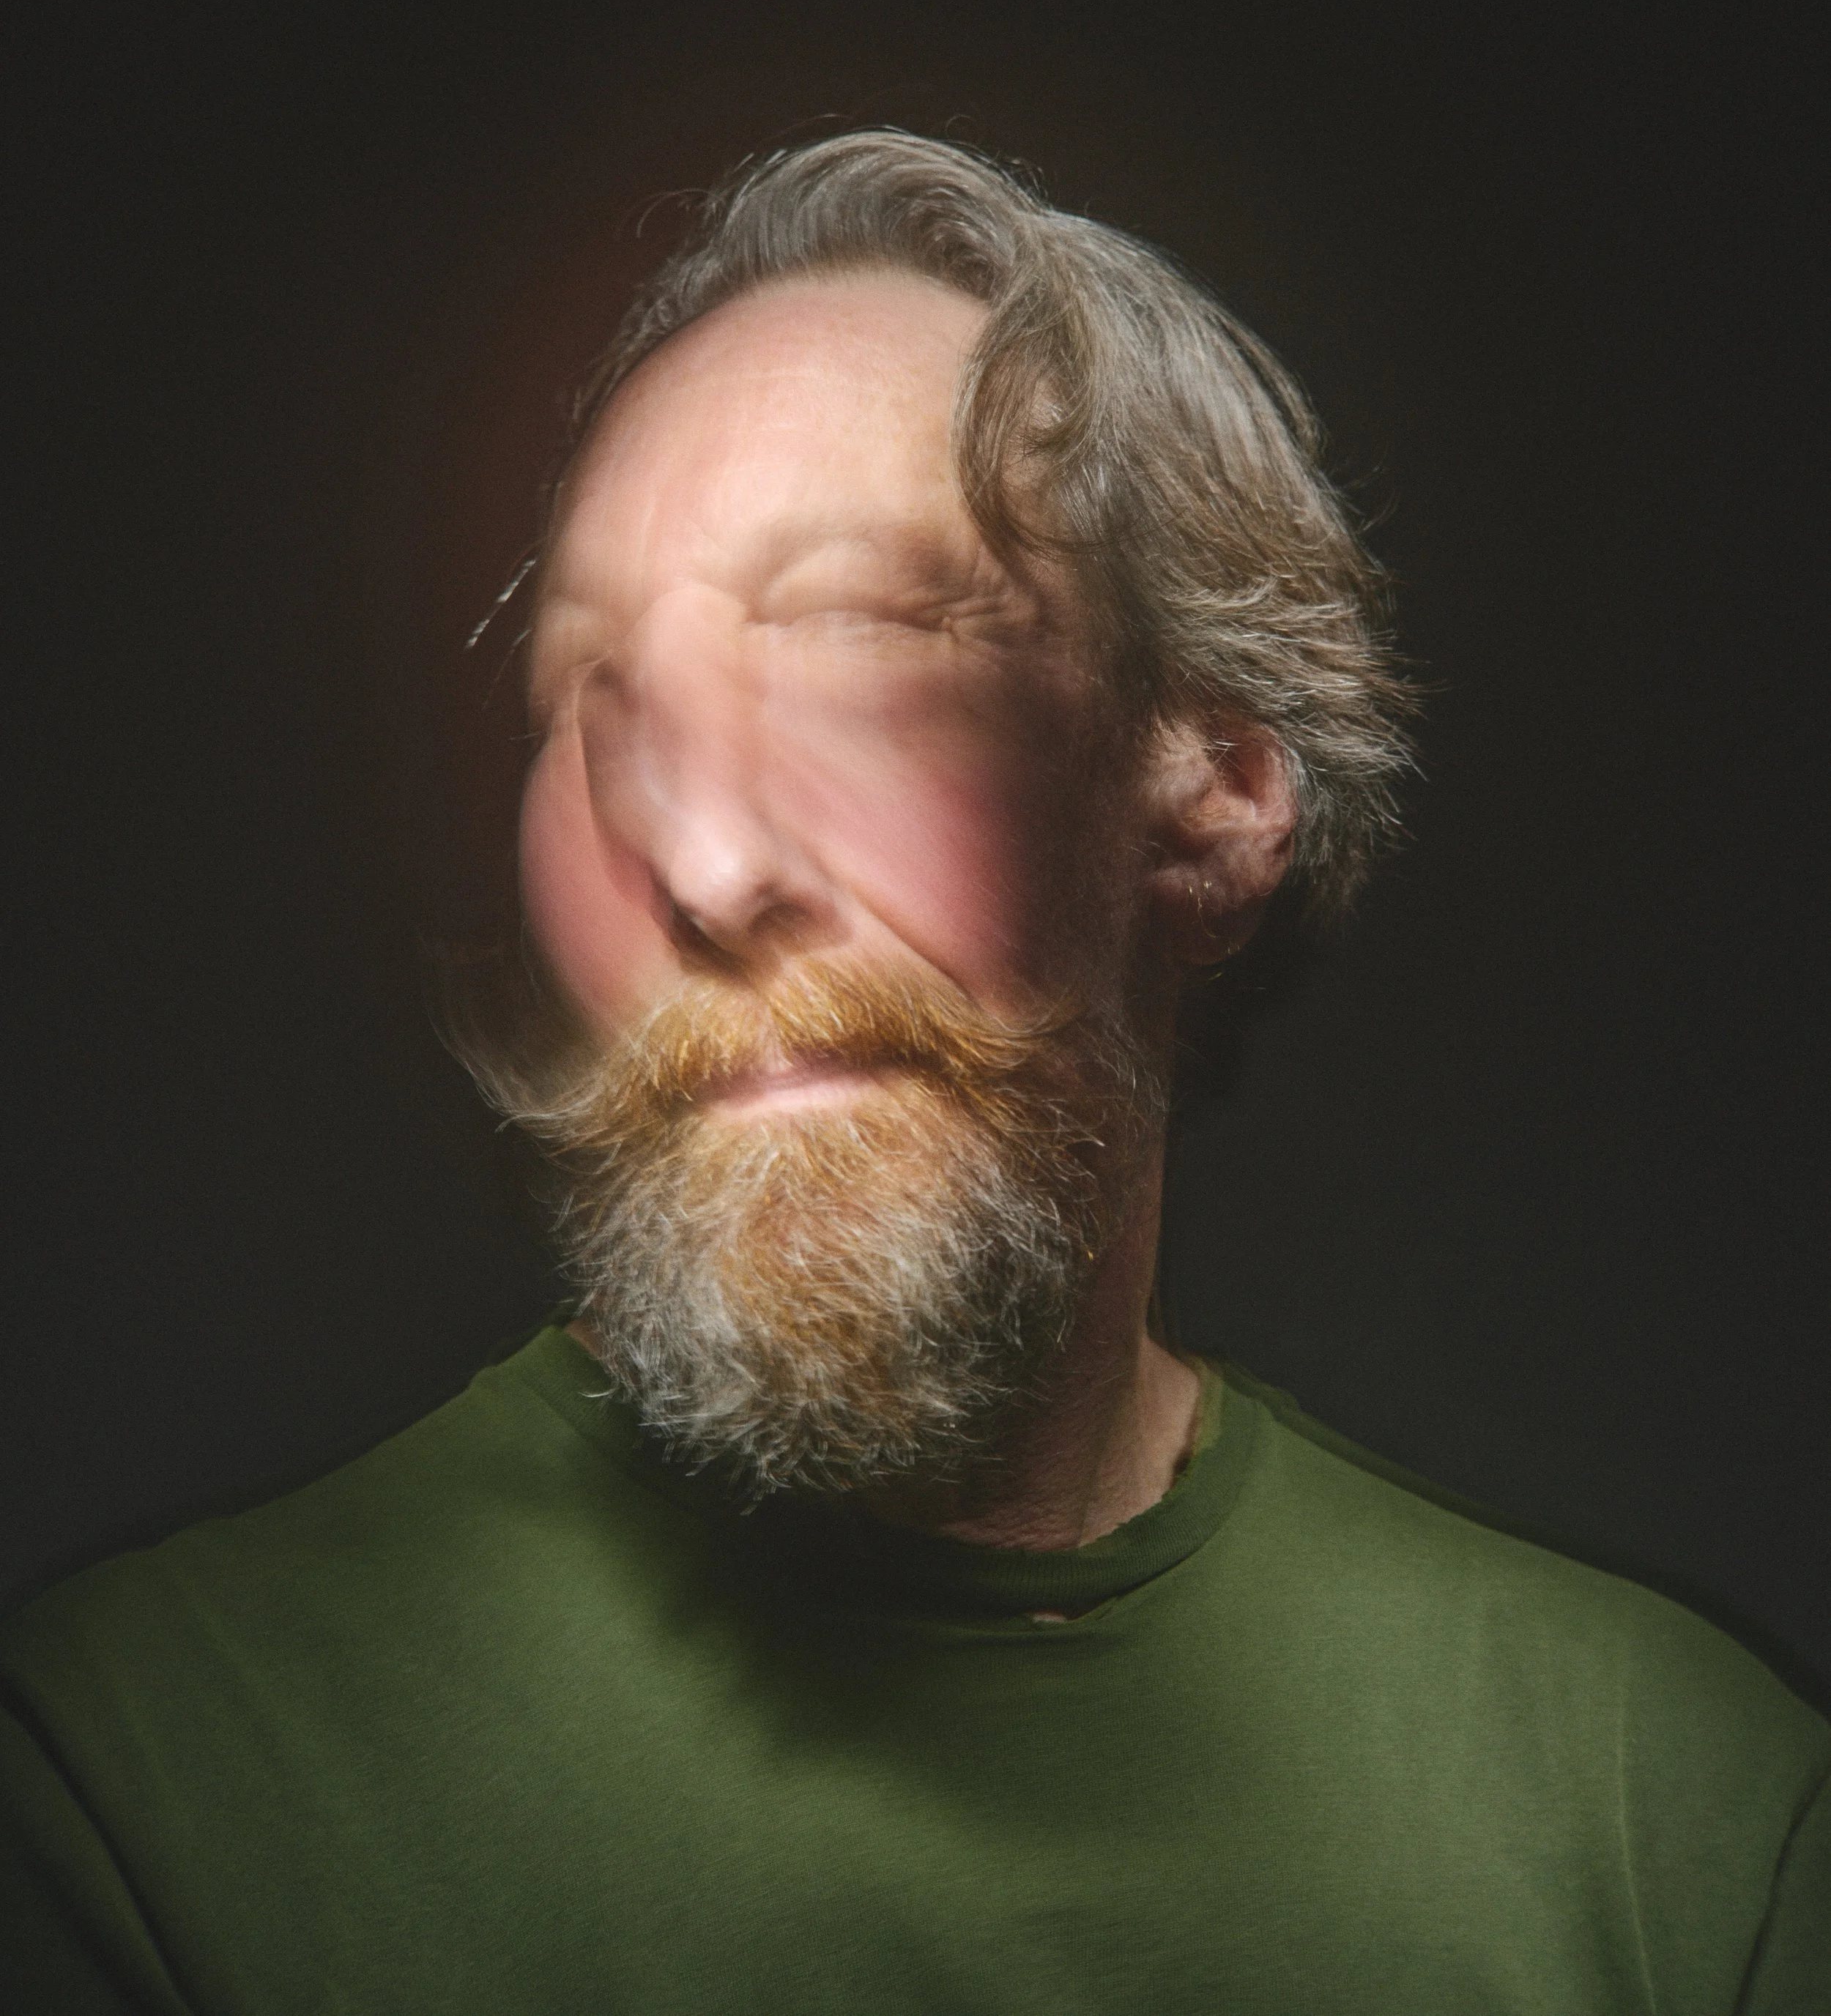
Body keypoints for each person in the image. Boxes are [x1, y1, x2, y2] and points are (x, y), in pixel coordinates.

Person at [2, 133, 1824, 2015]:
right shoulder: (137, 1788)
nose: (704, 868)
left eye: (865, 633)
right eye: (585, 700)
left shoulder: (1670, 1834)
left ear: (1210, 791)